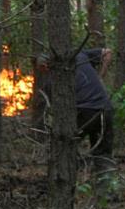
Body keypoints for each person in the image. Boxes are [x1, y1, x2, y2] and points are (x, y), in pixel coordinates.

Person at [36, 48, 115, 195]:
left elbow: (56, 110)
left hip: (84, 111)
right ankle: (107, 192)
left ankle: (63, 189)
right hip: (105, 109)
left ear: (49, 62)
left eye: (44, 68)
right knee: (103, 153)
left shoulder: (56, 78)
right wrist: (100, 77)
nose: (44, 72)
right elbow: (107, 52)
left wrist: (100, 77)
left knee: (64, 148)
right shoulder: (80, 54)